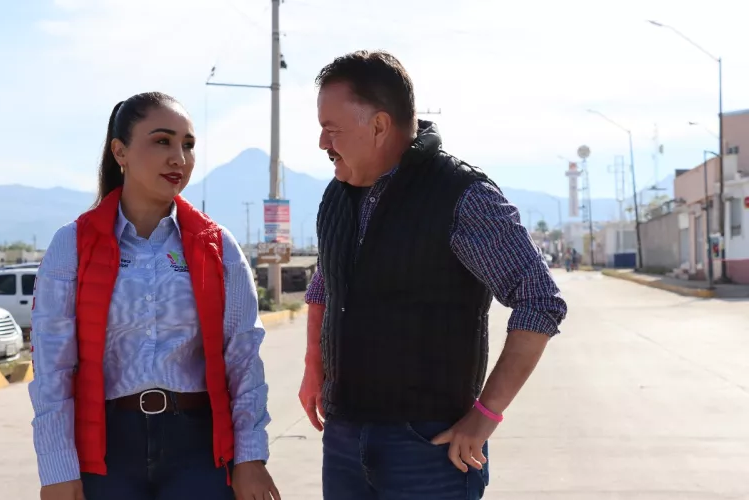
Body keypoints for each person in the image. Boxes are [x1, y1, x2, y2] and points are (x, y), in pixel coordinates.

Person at [298, 51, 568, 499]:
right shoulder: (337, 196)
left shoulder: (462, 196)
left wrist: (486, 415)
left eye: (332, 129)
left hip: (428, 446)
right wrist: (314, 368)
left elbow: (539, 299)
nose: (323, 142)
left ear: (379, 126)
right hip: (344, 438)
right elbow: (324, 284)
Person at [29, 92, 280, 500]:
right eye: (162, 141)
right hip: (106, 449)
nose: (179, 158)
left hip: (199, 450)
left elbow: (244, 357)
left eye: (188, 145)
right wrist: (57, 468)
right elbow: (51, 369)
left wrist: (251, 457)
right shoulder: (73, 244)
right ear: (120, 152)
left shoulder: (218, 246)